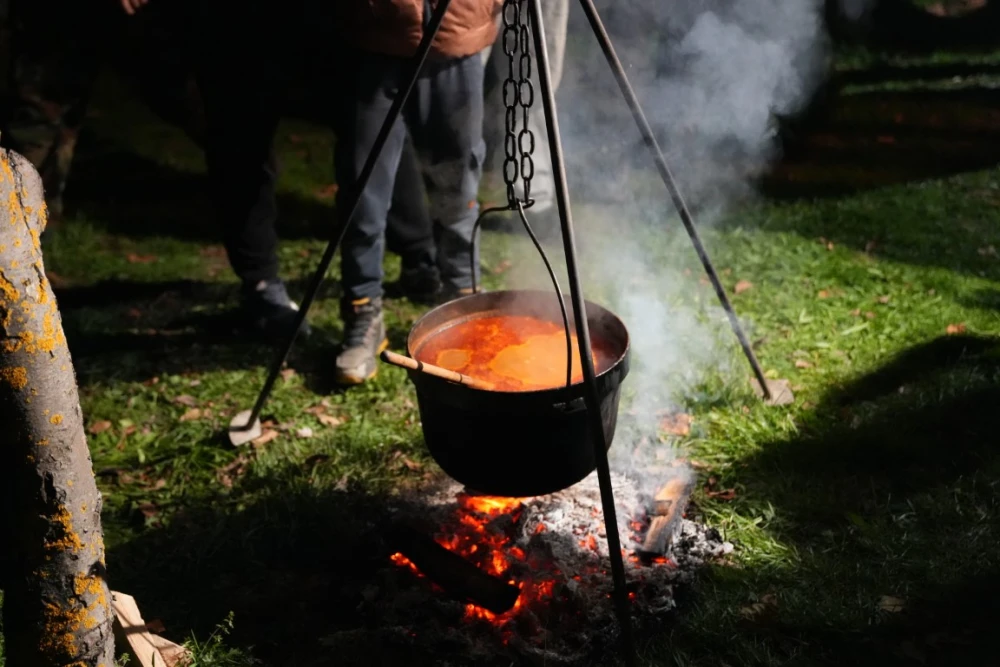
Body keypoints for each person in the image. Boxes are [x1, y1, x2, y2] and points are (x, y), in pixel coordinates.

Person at [332, 0, 502, 385]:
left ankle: (462, 297)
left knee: (459, 184)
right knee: (363, 191)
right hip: (377, 35)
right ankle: (362, 310)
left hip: (458, 29)